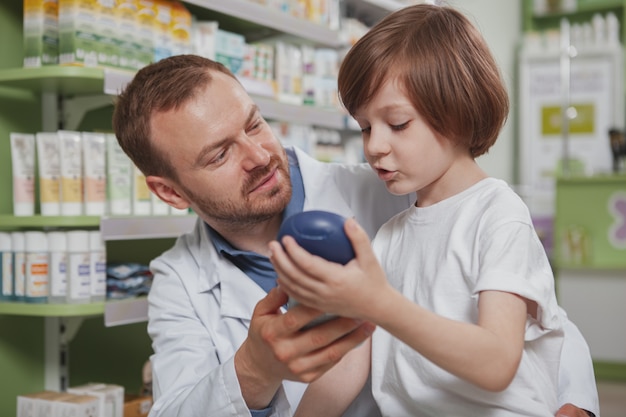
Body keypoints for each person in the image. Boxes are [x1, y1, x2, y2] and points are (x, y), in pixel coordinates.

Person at [111, 54, 598, 417]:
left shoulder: (397, 190)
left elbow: (535, 311)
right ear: (169, 192)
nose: (258, 155)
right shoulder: (178, 280)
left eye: (254, 124)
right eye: (219, 155)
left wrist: (574, 401)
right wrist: (253, 370)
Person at [270, 4, 599, 417]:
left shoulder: (497, 214)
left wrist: (381, 304)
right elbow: (352, 363)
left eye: (398, 123)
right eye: (366, 127)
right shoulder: (390, 235)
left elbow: (497, 363)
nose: (374, 146)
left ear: (458, 113)